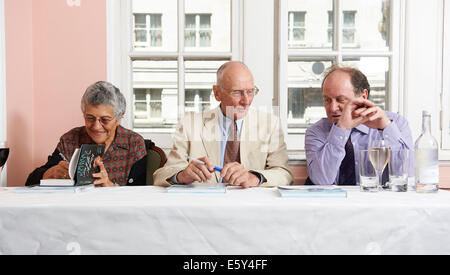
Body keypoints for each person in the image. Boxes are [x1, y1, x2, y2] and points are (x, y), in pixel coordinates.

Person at [154, 61, 293, 188]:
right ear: (217, 93)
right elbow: (161, 175)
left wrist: (254, 177)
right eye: (237, 92)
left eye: (250, 92)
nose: (246, 101)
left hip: (250, 206)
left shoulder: (270, 124)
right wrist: (182, 175)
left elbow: (284, 174)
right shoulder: (190, 124)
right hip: (203, 207)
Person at [305, 65, 414, 186]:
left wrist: (386, 128)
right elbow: (321, 181)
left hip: (380, 202)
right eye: (327, 100)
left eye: (341, 99)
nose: (332, 108)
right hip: (334, 204)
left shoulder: (397, 123)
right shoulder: (316, 131)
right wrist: (341, 129)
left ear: (363, 96)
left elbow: (408, 177)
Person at [25, 81, 147, 187]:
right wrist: (50, 173)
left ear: (119, 118)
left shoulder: (134, 143)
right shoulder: (70, 140)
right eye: (90, 118)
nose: (96, 126)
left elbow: (140, 195)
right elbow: (30, 182)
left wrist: (110, 186)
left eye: (104, 120)